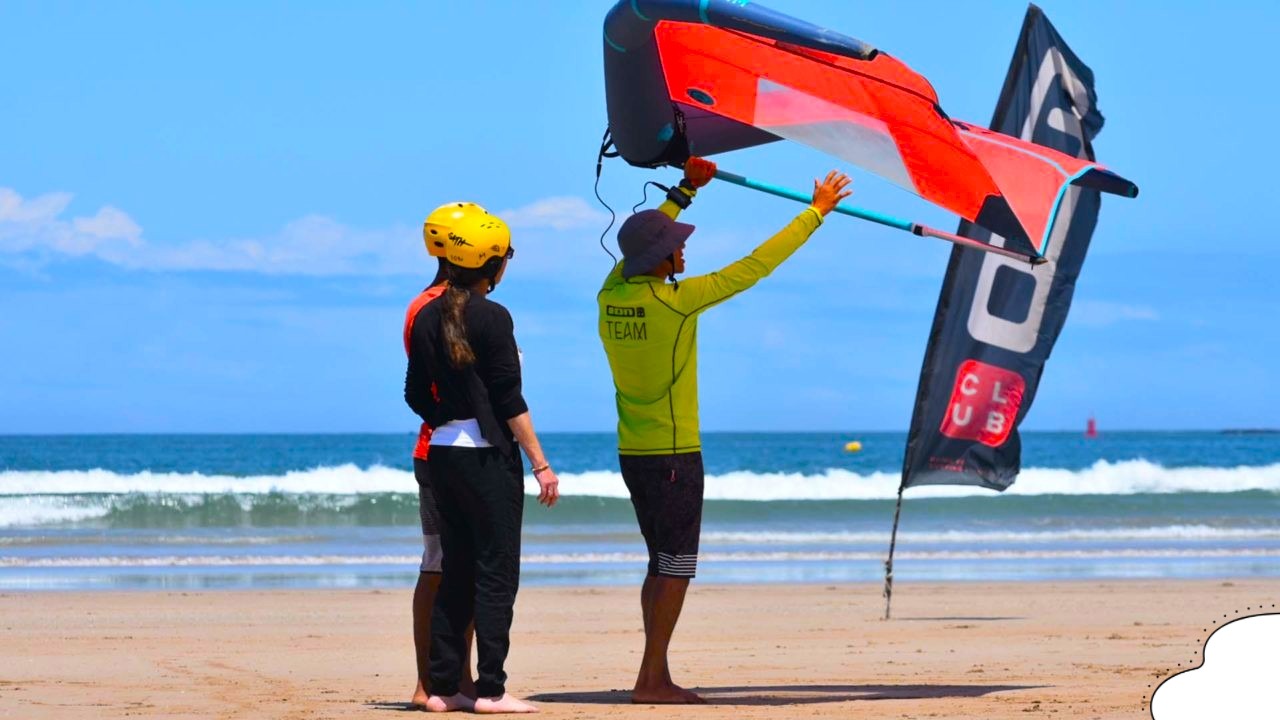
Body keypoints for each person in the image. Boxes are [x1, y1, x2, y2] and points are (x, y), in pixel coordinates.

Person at [597, 159, 852, 704]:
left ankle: (654, 673)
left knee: (659, 563)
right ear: (659, 258)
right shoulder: (678, 302)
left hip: (632, 452)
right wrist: (816, 214)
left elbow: (638, 246)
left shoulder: (611, 295)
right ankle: (651, 680)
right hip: (673, 455)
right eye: (675, 245)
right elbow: (755, 266)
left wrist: (686, 190)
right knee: (677, 568)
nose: (683, 251)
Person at [405, 207, 560, 714]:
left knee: (456, 573)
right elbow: (509, 399)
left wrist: (448, 414)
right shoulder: (493, 316)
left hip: (444, 454)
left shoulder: (427, 314)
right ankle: (491, 690)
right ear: (491, 262)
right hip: (488, 459)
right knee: (497, 574)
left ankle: (444, 689)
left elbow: (413, 394)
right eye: (506, 256)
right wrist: (540, 463)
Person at [404, 202, 484, 708]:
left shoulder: (438, 303)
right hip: (444, 449)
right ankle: (433, 679)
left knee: (461, 565)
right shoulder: (433, 307)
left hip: (451, 447)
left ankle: (457, 676)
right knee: (441, 564)